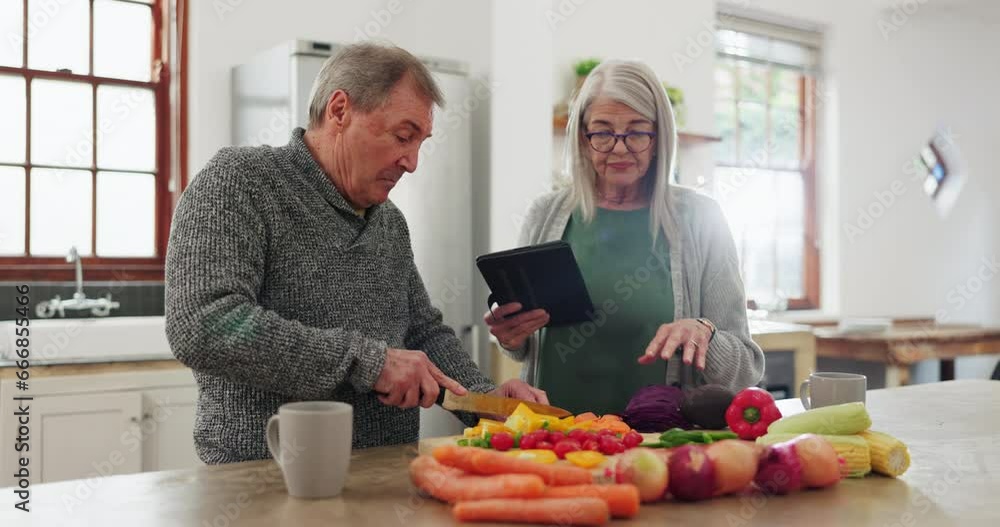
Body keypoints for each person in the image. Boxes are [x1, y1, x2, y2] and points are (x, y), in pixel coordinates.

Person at [165, 42, 544, 464]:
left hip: (386, 475)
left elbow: (421, 332)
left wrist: (488, 400)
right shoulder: (241, 182)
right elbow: (203, 324)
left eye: (420, 142)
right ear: (340, 110)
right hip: (263, 477)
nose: (412, 162)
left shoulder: (389, 221)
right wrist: (369, 363)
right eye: (403, 136)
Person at [486, 59, 764, 416]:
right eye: (602, 133)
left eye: (637, 133)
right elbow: (523, 347)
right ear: (583, 139)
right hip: (555, 435)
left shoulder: (702, 219)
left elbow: (745, 369)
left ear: (659, 138)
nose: (619, 148)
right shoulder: (545, 214)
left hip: (659, 440)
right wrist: (511, 336)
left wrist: (704, 334)